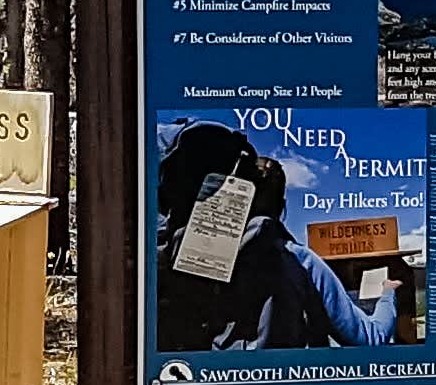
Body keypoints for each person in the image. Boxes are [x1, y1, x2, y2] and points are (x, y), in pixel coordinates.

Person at [149, 122, 395, 356]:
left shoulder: (162, 260)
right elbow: (370, 337)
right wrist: (388, 293)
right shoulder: (300, 261)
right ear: (282, 206)